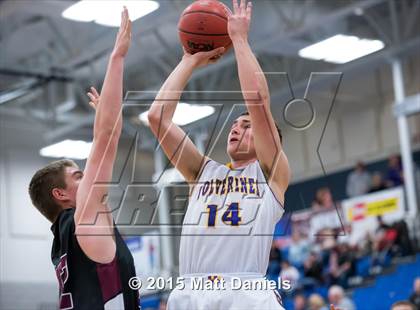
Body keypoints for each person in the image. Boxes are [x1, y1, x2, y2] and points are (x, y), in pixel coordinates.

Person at [147, 0, 290, 308]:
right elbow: (157, 118)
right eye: (235, 124)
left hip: (244, 291)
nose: (236, 128)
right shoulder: (202, 173)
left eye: (247, 125)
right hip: (190, 292)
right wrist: (189, 60)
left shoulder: (270, 172)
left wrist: (239, 39)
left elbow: (258, 101)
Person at [28, 8, 139, 309]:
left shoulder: (64, 243)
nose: (86, 174)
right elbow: (107, 139)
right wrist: (117, 58)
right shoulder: (82, 222)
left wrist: (108, 120)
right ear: (60, 194)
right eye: (78, 175)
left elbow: (108, 135)